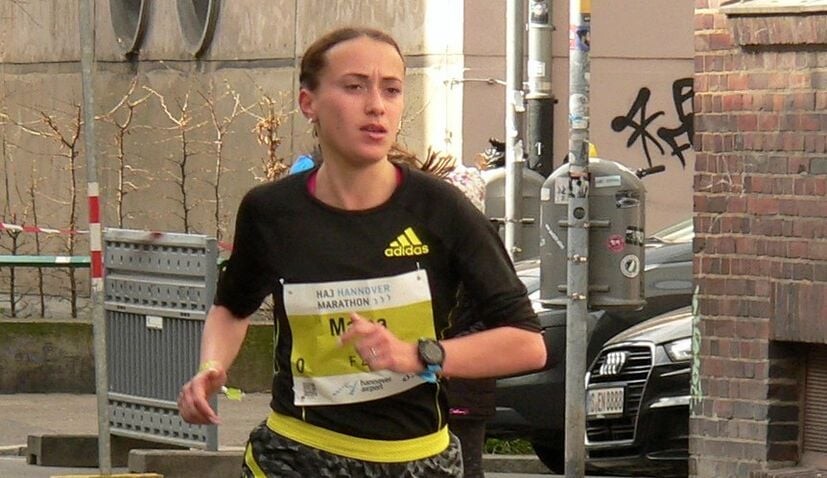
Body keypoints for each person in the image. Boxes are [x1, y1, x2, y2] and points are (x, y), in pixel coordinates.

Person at [177, 26, 546, 477]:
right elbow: (232, 308)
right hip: (298, 455)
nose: (376, 105)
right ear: (308, 103)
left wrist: (421, 355)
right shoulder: (271, 211)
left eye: (391, 90)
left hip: (417, 460)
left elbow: (527, 344)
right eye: (354, 87)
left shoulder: (441, 209)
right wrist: (212, 366)